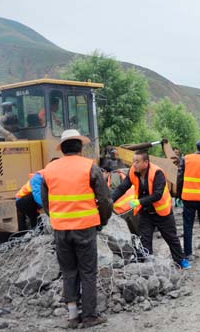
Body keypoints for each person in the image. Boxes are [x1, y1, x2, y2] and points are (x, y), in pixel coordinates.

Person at [41, 129, 112, 329]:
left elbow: (46, 202)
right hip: (85, 227)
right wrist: (102, 220)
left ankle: (73, 316)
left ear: (62, 149)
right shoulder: (89, 167)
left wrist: (56, 218)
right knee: (88, 271)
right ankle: (89, 316)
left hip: (61, 229)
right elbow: (105, 199)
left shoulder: (49, 170)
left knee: (69, 270)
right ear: (80, 147)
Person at [111, 150, 189, 269]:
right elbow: (122, 188)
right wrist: (110, 200)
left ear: (146, 162)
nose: (134, 164)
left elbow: (157, 195)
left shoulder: (157, 173)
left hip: (162, 212)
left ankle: (181, 260)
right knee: (144, 239)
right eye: (133, 161)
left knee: (171, 238)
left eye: (137, 161)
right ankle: (147, 264)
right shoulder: (133, 171)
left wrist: (139, 201)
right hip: (146, 212)